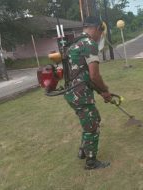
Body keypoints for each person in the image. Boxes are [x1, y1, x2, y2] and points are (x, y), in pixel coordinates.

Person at [63, 16, 112, 170]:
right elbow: (94, 76)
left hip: (72, 93)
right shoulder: (89, 43)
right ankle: (91, 162)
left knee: (94, 118)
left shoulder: (74, 44)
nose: (100, 37)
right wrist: (105, 90)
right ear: (98, 28)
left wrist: (102, 92)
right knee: (92, 126)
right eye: (101, 33)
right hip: (81, 94)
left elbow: (84, 76)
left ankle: (83, 151)